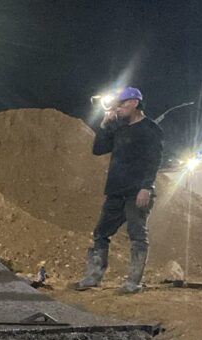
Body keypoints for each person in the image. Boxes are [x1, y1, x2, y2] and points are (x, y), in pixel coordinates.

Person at [75, 87, 164, 294]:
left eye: (121, 105)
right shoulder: (119, 128)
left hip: (137, 191)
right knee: (101, 233)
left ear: (134, 103)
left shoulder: (150, 129)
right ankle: (93, 277)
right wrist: (104, 126)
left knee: (137, 234)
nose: (117, 109)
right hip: (116, 191)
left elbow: (154, 160)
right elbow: (98, 149)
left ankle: (133, 282)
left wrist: (146, 187)